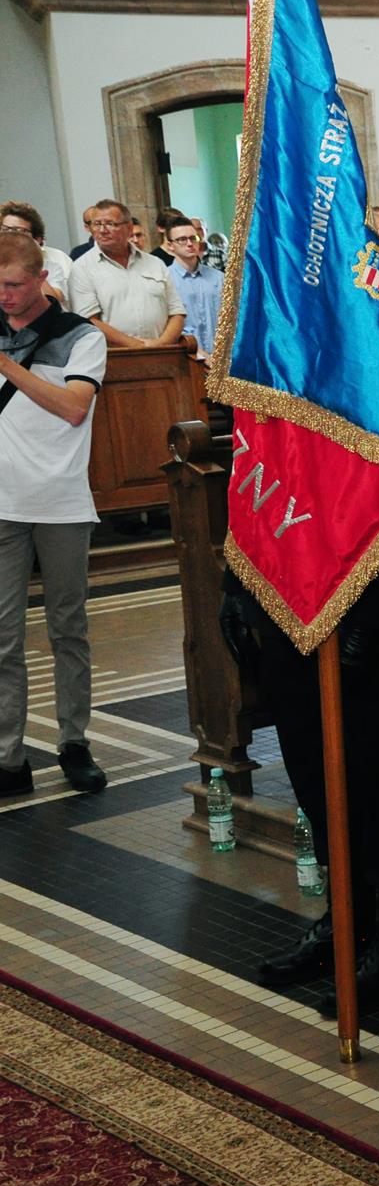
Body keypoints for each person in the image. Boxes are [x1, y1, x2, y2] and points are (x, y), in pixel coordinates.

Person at [221, 561, 379, 1014]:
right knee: (312, 771)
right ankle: (349, 921)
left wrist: (373, 615)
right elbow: (257, 511)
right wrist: (235, 587)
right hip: (281, 595)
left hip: (358, 598)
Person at [0, 232, 111, 797]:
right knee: (3, 638)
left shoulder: (80, 336)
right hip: (3, 502)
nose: (4, 295)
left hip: (61, 500)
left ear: (42, 278)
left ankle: (74, 742)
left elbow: (72, 408)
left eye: (14, 284)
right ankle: (8, 758)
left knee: (68, 628)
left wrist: (7, 365)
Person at [66, 199, 186, 348]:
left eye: (110, 224)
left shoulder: (155, 263)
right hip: (114, 356)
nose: (102, 230)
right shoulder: (82, 268)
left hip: (163, 352)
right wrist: (139, 347)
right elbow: (89, 321)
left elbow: (176, 312)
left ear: (128, 228)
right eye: (97, 224)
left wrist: (160, 344)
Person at [162, 215, 223, 359]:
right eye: (182, 239)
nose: (189, 244)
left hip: (221, 357)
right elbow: (165, 326)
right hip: (185, 358)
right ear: (170, 245)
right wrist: (201, 355)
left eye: (193, 238)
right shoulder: (164, 280)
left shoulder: (219, 278)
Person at [1, 202, 73, 304]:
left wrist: (30, 260)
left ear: (37, 239)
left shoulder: (54, 262)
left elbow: (53, 301)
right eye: (5, 229)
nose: (10, 236)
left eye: (18, 231)